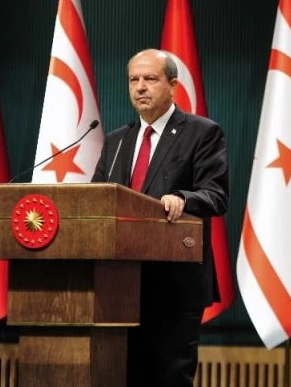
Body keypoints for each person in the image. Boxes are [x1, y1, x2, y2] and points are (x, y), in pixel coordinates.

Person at [92, 48, 229, 387]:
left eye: (150, 79)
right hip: (119, 285)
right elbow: (97, 201)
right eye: (133, 80)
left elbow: (216, 195)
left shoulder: (202, 132)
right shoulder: (116, 141)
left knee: (169, 378)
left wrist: (183, 198)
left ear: (173, 85)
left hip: (173, 284)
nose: (140, 87)